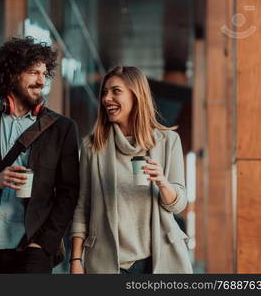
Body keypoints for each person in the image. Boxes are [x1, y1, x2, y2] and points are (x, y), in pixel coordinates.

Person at [0, 37, 80, 274]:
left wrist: (44, 243)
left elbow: (69, 192)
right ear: (11, 75)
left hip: (33, 250)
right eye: (34, 72)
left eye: (44, 73)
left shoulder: (62, 128)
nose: (41, 81)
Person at [70, 66, 192, 274]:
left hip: (156, 260)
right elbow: (83, 206)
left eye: (116, 91)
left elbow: (178, 204)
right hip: (108, 263)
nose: (107, 98)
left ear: (136, 95)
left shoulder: (168, 141)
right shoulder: (92, 147)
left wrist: (162, 181)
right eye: (105, 92)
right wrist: (75, 259)